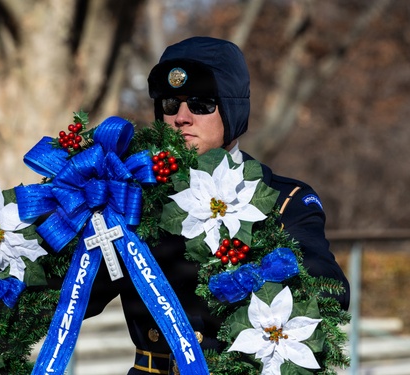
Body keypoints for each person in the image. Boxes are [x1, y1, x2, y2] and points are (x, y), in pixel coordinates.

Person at [85, 36, 350, 375]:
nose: (182, 117)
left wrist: (256, 275)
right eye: (170, 104)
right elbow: (77, 297)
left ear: (232, 108)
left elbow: (330, 291)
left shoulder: (285, 201)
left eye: (201, 104)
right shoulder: (134, 199)